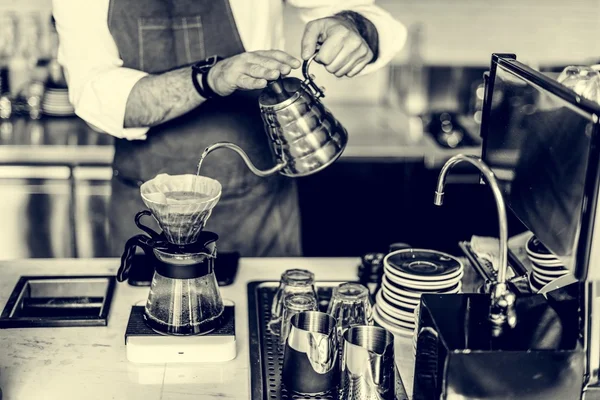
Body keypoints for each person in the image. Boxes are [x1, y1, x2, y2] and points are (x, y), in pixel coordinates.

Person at [52, 0, 405, 257]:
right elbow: (95, 95)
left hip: (257, 207)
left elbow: (370, 19)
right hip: (147, 215)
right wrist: (211, 78)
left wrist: (352, 27)